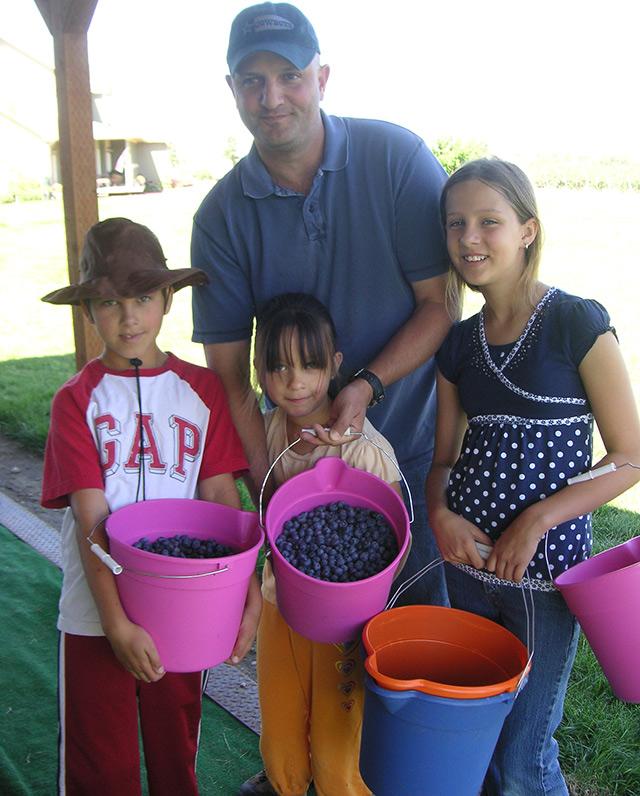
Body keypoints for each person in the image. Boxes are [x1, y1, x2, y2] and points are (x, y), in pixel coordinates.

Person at [191, 1, 452, 617]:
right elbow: (230, 380)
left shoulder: (396, 159)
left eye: (289, 75)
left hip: (411, 453)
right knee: (322, 649)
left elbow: (438, 306)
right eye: (252, 80)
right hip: (302, 471)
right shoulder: (221, 217)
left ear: (322, 78)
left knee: (417, 634)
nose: (272, 96)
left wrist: (364, 386)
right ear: (232, 90)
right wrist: (275, 488)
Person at [426, 158, 640, 795]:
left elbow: (630, 455)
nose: (469, 238)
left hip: (543, 578)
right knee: (478, 741)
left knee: (523, 757)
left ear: (526, 230)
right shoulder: (458, 345)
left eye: (488, 221)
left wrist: (538, 519)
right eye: (455, 223)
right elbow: (442, 463)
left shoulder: (576, 323)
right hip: (466, 571)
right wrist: (440, 514)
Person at [40, 218, 262, 796]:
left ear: (167, 298)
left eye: (142, 297)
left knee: (175, 751)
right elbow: (92, 521)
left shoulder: (202, 391)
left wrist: (246, 594)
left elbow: (220, 502)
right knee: (101, 765)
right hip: (95, 612)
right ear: (89, 310)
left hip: (182, 609)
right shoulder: (75, 402)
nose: (129, 317)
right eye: (110, 302)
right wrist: (114, 622)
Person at [248, 292, 403, 796]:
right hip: (280, 606)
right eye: (278, 367)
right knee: (281, 731)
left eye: (310, 365)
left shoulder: (363, 449)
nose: (295, 382)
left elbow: (392, 534)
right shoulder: (268, 433)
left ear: (335, 365)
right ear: (259, 369)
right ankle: (287, 783)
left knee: (340, 743)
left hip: (345, 621)